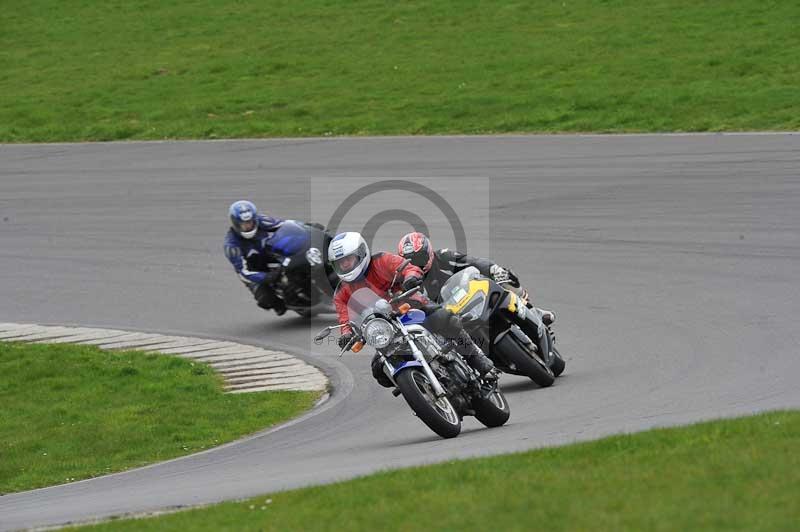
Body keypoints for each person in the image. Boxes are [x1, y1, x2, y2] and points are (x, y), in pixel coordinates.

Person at [329, 231, 496, 388]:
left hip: (411, 307)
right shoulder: (341, 293)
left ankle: (478, 360)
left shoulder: (381, 260)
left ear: (361, 253)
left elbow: (408, 267)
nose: (345, 265)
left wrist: (411, 277)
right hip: (385, 328)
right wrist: (346, 334)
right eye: (340, 263)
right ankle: (420, 386)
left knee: (444, 318)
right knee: (379, 370)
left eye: (348, 259)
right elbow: (345, 319)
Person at [396, 232, 555, 325]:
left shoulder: (443, 257)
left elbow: (474, 262)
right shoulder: (406, 282)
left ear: (429, 252)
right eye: (412, 262)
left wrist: (494, 269)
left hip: (470, 296)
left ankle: (533, 312)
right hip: (449, 319)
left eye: (420, 258)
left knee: (504, 276)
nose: (417, 264)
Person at [223, 200, 288, 315]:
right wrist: (266, 277)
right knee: (266, 300)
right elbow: (243, 272)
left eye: (250, 222)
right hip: (252, 270)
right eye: (244, 224)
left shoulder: (261, 220)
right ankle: (284, 304)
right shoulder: (231, 246)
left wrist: (306, 227)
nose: (248, 226)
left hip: (268, 254)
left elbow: (285, 225)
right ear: (236, 224)